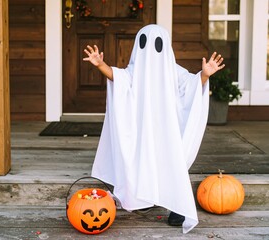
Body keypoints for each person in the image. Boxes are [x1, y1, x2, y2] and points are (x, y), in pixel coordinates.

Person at [83, 24, 225, 234]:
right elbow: (116, 77)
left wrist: (204, 75)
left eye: (157, 45)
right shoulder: (133, 71)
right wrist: (101, 65)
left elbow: (191, 86)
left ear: (165, 46)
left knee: (171, 162)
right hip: (142, 131)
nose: (150, 51)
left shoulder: (174, 71)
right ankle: (144, 197)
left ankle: (176, 205)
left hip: (167, 130)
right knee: (143, 161)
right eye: (144, 43)